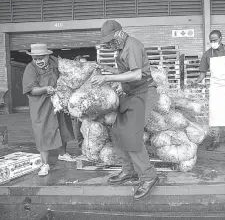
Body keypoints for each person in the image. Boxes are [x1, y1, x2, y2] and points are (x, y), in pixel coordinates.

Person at [91, 20, 159, 200]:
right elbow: (125, 71)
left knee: (131, 134)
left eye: (111, 39)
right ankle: (129, 171)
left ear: (119, 33)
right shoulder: (120, 49)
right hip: (130, 93)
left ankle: (148, 176)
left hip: (144, 92)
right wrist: (105, 69)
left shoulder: (132, 45)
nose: (109, 44)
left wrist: (107, 79)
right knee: (117, 131)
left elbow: (136, 74)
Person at [22, 44, 76, 176]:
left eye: (42, 58)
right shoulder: (30, 69)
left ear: (48, 56)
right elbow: (31, 89)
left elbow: (67, 69)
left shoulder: (54, 61)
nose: (39, 61)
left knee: (62, 126)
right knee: (42, 131)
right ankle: (45, 164)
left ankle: (63, 154)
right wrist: (45, 89)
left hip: (57, 100)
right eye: (36, 58)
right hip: (41, 104)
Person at [194, 30, 225, 150]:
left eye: (215, 40)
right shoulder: (207, 54)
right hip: (215, 87)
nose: (213, 42)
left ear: (221, 38)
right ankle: (215, 140)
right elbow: (202, 74)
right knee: (214, 113)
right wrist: (196, 81)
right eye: (211, 40)